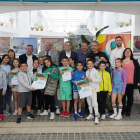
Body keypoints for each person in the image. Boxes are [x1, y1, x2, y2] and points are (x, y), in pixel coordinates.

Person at [122, 48, 140, 116]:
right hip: (122, 83)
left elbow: (138, 72)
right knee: (122, 98)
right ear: (124, 53)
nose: (127, 52)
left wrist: (138, 81)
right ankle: (123, 110)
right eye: (126, 51)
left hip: (131, 83)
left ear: (131, 53)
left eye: (129, 51)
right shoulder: (121, 61)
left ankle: (128, 110)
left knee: (130, 98)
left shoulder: (135, 61)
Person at [85, 59, 101, 124]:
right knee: (89, 102)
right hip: (87, 89)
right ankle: (91, 114)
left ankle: (96, 116)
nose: (90, 65)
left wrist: (91, 80)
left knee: (95, 103)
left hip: (94, 89)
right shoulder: (86, 71)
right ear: (86, 65)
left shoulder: (95, 71)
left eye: (91, 63)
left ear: (93, 64)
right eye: (88, 64)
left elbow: (99, 80)